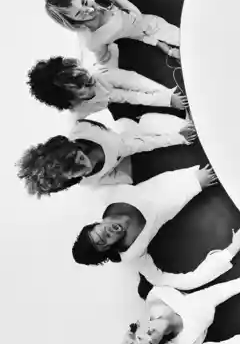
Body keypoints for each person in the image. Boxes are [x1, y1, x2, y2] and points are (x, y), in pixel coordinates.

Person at [70, 164, 219, 268]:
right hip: (184, 198)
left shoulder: (108, 196)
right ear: (109, 248)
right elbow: (158, 277)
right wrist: (195, 185)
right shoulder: (131, 252)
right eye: (105, 241)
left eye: (100, 232)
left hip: (168, 178)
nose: (108, 233)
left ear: (95, 225)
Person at [17, 114, 196, 196]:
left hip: (128, 127)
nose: (82, 165)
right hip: (129, 154)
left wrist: (178, 137)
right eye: (73, 171)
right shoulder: (89, 181)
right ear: (68, 180)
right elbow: (118, 173)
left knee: (149, 123)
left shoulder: (83, 128)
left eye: (74, 158)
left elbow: (140, 142)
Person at [44, 0, 180, 65]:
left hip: (148, 23)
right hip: (141, 34)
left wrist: (135, 15)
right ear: (74, 21)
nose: (89, 10)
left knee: (180, 37)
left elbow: (124, 4)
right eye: (80, 14)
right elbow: (103, 59)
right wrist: (165, 48)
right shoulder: (94, 40)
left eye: (85, 2)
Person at [27, 56, 186, 118]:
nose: (86, 82)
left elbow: (135, 84)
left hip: (110, 80)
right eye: (80, 88)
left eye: (81, 76)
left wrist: (168, 96)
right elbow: (127, 98)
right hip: (111, 103)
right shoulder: (79, 111)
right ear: (72, 100)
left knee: (128, 82)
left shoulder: (99, 76)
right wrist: (168, 101)